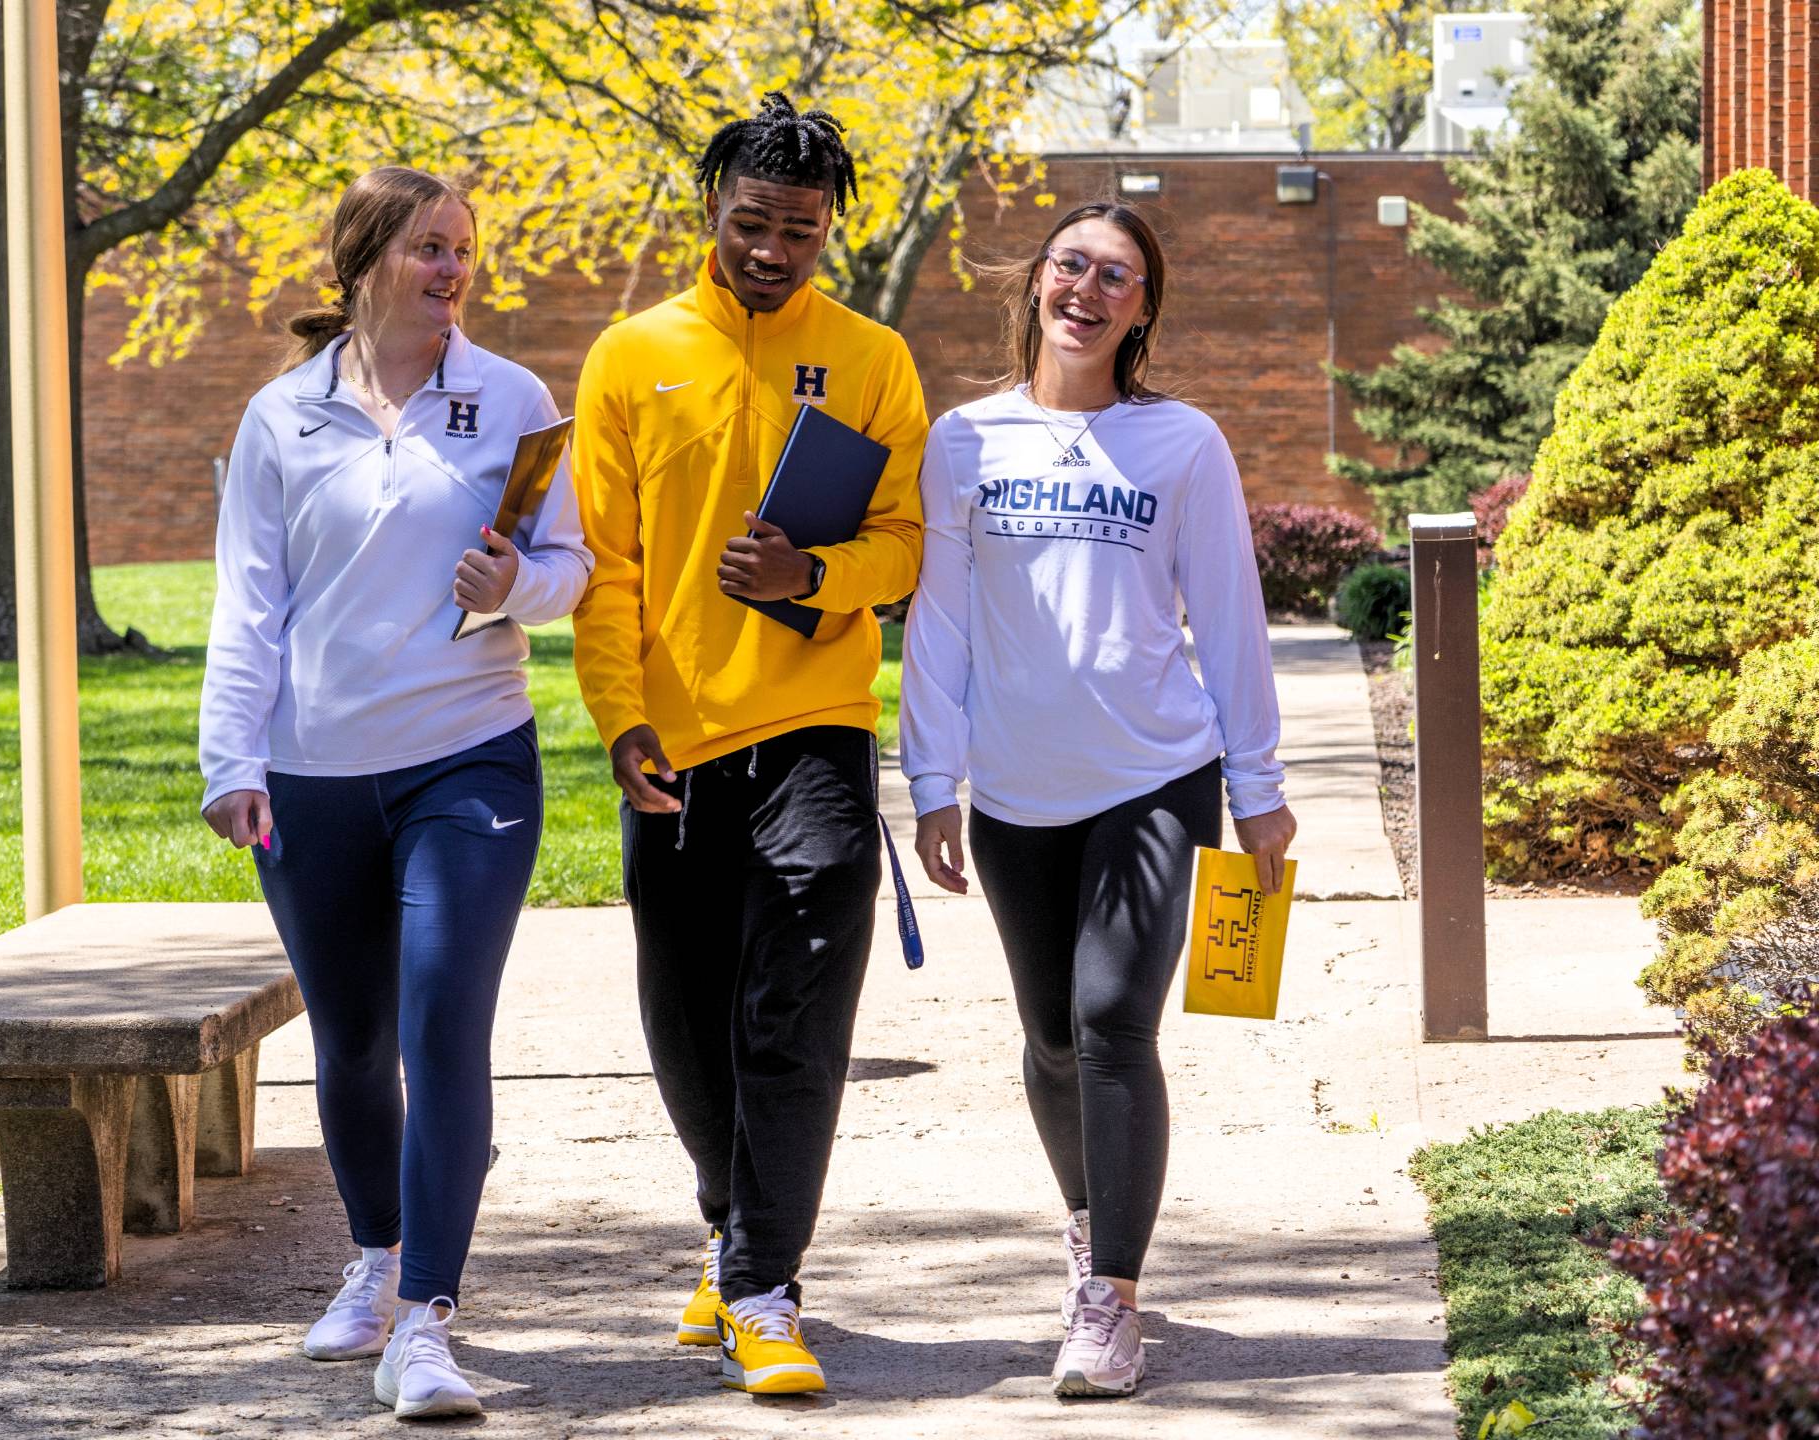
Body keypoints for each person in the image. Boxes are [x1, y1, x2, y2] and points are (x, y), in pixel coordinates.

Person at [197, 166, 592, 1421]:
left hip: (468, 753)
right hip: (311, 773)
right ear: (365, 258)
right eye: (428, 247)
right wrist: (233, 763)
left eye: (463, 248)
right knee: (353, 1038)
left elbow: (571, 565)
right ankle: (372, 1258)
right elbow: (249, 605)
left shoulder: (511, 399)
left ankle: (426, 1318)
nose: (451, 268)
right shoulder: (282, 418)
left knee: (439, 1021)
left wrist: (512, 591)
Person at [900, 200, 1296, 1398]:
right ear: (1036, 283)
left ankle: (1109, 1298)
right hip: (1019, 790)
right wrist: (932, 778)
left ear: (1141, 310)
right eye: (1070, 264)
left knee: (1114, 1017)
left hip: (1153, 778)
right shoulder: (965, 439)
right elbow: (942, 622)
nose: (1087, 287)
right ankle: (1088, 1225)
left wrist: (1259, 788)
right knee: (1050, 1039)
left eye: (1115, 276)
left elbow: (1229, 619)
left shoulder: (1182, 444)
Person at [571, 92, 927, 1395]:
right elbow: (603, 569)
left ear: (831, 230)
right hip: (674, 737)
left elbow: (906, 543)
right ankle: (734, 1235)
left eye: (803, 231)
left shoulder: (874, 357)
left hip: (817, 730)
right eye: (753, 224)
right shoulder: (629, 355)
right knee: (683, 1012)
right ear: (711, 212)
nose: (776, 251)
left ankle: (767, 1284)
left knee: (799, 999)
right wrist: (623, 720)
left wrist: (811, 572)